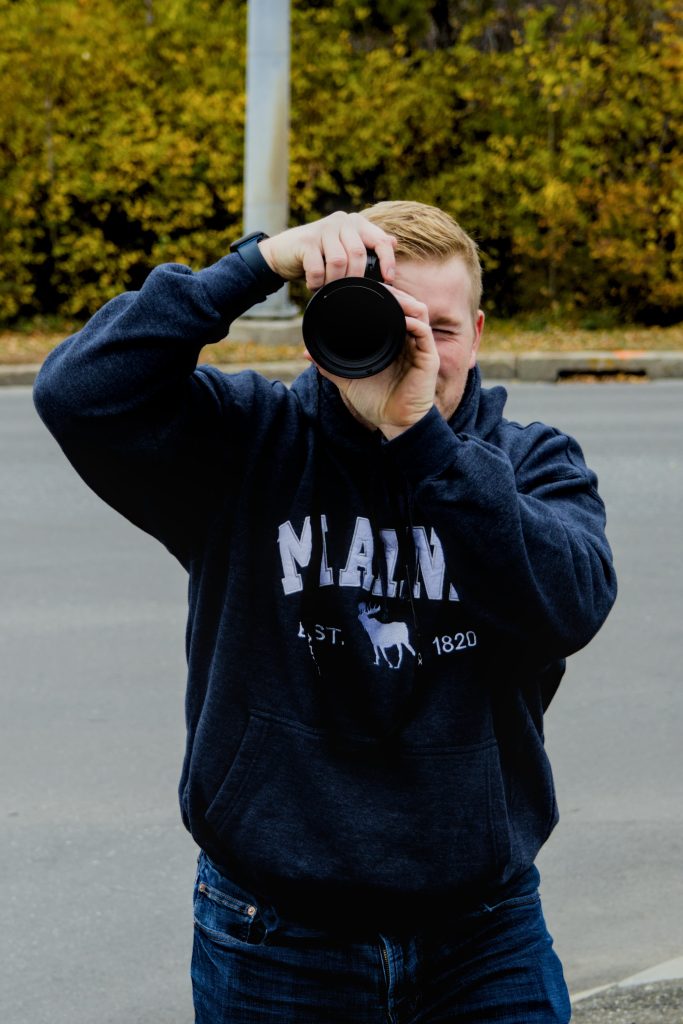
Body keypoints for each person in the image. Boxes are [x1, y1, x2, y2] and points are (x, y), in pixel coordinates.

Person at [34, 201, 617, 1023]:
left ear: (478, 334)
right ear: (326, 331)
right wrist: (259, 264)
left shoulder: (529, 461)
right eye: (393, 321)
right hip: (272, 932)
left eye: (440, 328)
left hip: (482, 934)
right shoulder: (247, 441)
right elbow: (78, 393)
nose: (417, 349)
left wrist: (420, 442)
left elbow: (570, 607)